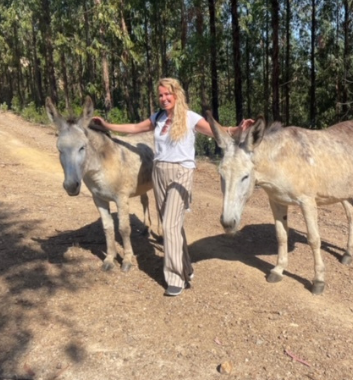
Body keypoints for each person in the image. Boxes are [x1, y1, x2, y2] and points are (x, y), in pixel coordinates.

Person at [92, 77, 254, 296]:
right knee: (173, 224)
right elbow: (134, 128)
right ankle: (186, 266)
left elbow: (218, 131)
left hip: (181, 173)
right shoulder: (158, 118)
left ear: (177, 94)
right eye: (160, 95)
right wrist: (107, 125)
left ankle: (175, 277)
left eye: (167, 94)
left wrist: (238, 128)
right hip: (159, 173)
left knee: (168, 225)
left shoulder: (190, 118)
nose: (163, 98)